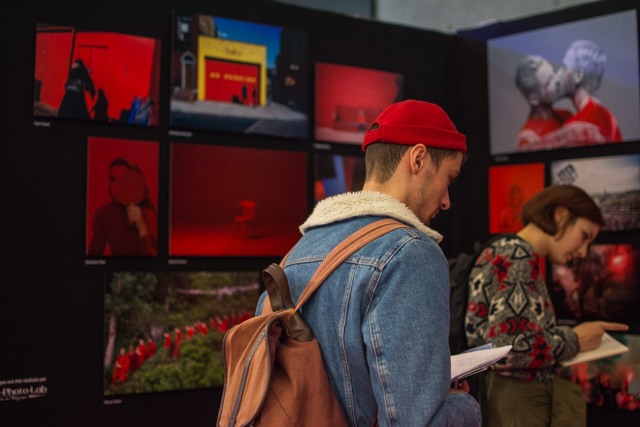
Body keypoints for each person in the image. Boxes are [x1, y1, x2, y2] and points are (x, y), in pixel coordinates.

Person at [256, 100, 480, 426]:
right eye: (449, 177)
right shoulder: (411, 253)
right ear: (418, 159)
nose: (446, 201)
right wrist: (463, 404)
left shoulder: (297, 253)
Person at [465, 185, 628, 427]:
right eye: (584, 235)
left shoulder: (505, 250)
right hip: (516, 403)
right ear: (560, 215)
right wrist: (574, 340)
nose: (583, 252)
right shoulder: (518, 255)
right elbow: (508, 351)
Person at [548, 40, 622, 147]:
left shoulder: (576, 128)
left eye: (564, 67)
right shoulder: (610, 118)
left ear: (578, 75)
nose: (559, 73)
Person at [87, 157, 158, 256]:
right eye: (112, 179)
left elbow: (152, 261)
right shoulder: (103, 213)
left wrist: (142, 227)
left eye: (122, 179)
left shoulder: (148, 214)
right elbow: (93, 256)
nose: (116, 187)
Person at [514, 56, 572, 151]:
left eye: (553, 74)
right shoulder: (528, 140)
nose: (557, 81)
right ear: (534, 99)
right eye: (549, 82)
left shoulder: (566, 116)